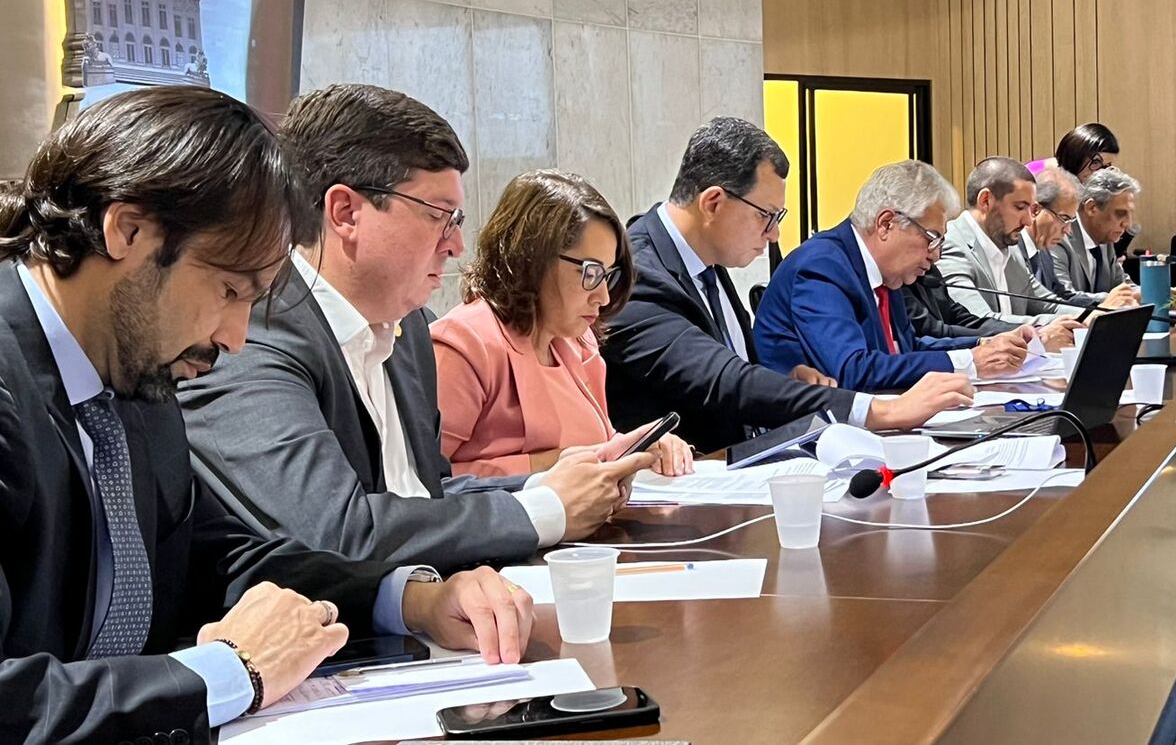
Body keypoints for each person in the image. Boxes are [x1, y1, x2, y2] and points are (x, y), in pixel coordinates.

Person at [0, 86, 534, 743]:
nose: (234, 338)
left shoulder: (133, 363)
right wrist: (227, 674)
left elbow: (213, 557)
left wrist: (406, 598)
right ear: (129, 231)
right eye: (230, 290)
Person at [179, 84, 651, 574]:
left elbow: (424, 496)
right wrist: (545, 511)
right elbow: (337, 532)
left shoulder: (410, 329)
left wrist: (546, 486)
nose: (457, 244)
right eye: (439, 216)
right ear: (346, 213)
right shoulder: (256, 337)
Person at [603, 117, 977, 453]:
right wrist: (880, 410)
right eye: (766, 216)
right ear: (714, 203)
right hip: (686, 483)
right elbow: (723, 381)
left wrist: (784, 376)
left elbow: (733, 366)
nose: (774, 234)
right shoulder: (639, 276)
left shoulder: (706, 260)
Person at [431, 170, 693, 478]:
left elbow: (598, 446)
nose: (603, 296)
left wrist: (638, 446)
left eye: (608, 275)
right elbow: (426, 482)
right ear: (532, 258)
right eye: (591, 272)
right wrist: (552, 464)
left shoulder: (578, 340)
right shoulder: (463, 345)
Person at [754, 159, 1032, 393]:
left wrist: (983, 345)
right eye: (932, 238)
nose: (936, 255)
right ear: (886, 224)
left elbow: (906, 348)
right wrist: (969, 361)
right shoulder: (821, 266)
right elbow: (853, 370)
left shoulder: (887, 273)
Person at [936, 157, 1090, 348]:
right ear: (986, 201)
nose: (1028, 221)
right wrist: (1046, 327)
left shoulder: (1011, 247)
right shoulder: (951, 244)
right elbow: (977, 320)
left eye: (1031, 209)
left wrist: (1091, 316)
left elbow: (1047, 303)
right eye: (1020, 207)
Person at [1049, 167, 1141, 299]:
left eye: (1130, 214)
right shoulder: (1059, 236)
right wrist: (1112, 300)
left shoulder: (1105, 238)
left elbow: (1122, 285)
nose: (1128, 224)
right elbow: (1064, 296)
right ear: (1091, 208)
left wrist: (1159, 294)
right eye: (1120, 213)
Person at [1025, 122, 1121, 182]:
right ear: (1077, 156)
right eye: (1096, 163)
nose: (1101, 173)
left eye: (1107, 166)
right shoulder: (1031, 174)